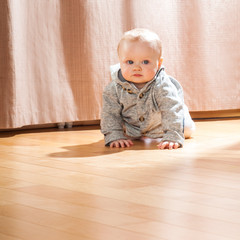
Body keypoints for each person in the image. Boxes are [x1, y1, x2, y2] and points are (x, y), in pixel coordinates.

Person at [101, 28, 195, 150]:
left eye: (145, 62)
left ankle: (183, 117)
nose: (137, 68)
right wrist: (114, 134)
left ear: (159, 63)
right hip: (132, 126)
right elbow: (109, 113)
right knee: (118, 131)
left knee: (186, 130)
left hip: (160, 124)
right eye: (130, 62)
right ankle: (132, 134)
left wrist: (172, 136)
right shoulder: (113, 88)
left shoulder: (162, 86)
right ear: (120, 62)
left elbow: (170, 109)